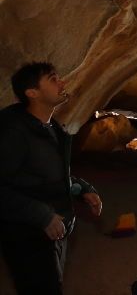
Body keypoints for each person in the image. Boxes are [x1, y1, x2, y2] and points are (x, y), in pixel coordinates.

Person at [0, 62, 103, 295]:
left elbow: (49, 176)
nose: (62, 83)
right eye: (53, 79)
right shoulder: (12, 134)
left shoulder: (50, 128)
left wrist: (81, 189)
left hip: (54, 230)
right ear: (32, 93)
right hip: (26, 235)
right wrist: (42, 215)